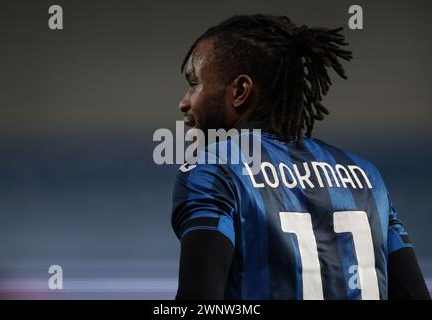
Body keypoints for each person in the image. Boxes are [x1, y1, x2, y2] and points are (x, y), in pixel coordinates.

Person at [171, 14, 430, 300]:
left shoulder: (214, 169)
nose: (184, 101)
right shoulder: (366, 176)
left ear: (241, 91)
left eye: (194, 83)